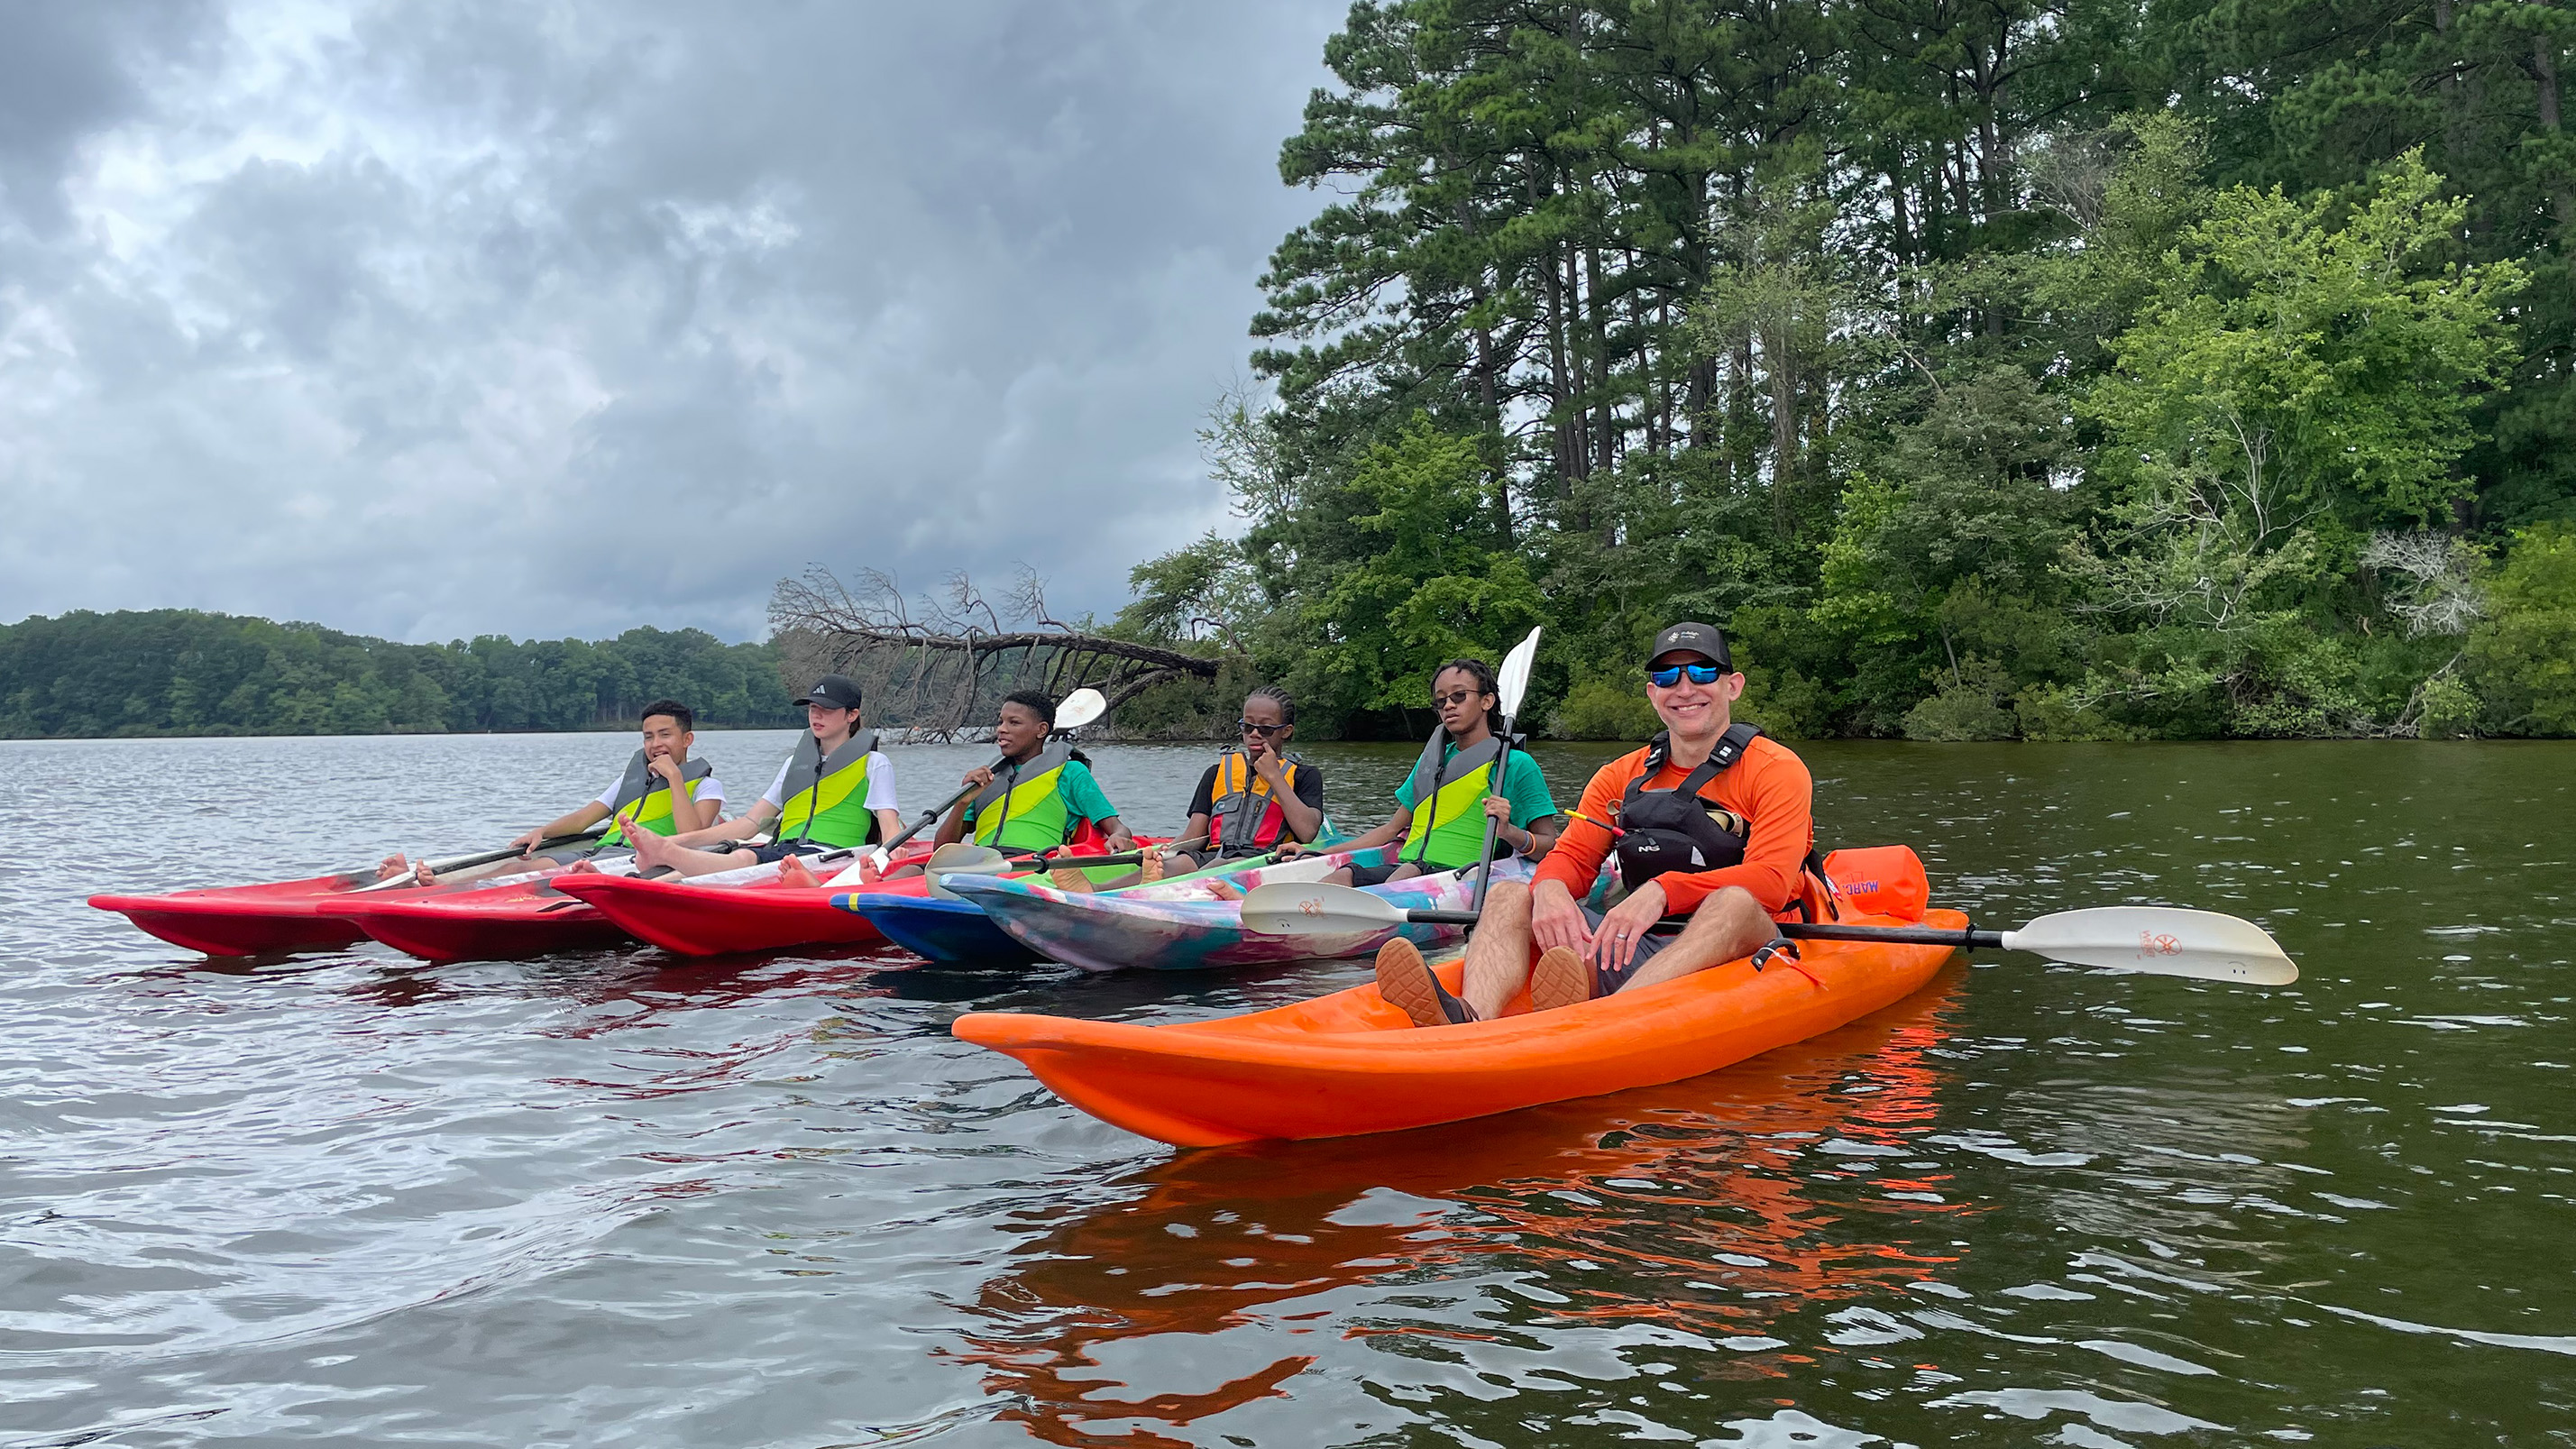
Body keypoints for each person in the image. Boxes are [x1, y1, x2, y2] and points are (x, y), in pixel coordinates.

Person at [1372, 621, 1829, 1028]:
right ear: (1653, 694)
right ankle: (1468, 1018)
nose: (1685, 688)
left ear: (1733, 686)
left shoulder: (1776, 769)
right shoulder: (1620, 775)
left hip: (1754, 941)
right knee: (1512, 892)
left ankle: (1609, 1020)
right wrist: (1550, 890)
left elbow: (1771, 882)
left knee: (1734, 901)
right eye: (1667, 677)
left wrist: (1662, 890)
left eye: (1703, 672)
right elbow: (1570, 856)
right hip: (1641, 944)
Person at [376, 699, 722, 885]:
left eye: (665, 735)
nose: (655, 744)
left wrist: (675, 779)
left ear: (686, 740)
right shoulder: (629, 781)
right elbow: (584, 819)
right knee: (519, 865)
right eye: (648, 737)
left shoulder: (706, 785)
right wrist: (543, 831)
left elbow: (696, 836)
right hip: (603, 852)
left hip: (647, 863)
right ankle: (428, 881)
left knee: (534, 872)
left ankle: (440, 888)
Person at [1293, 658, 1559, 888]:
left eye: (1459, 696)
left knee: (1406, 874)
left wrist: (1509, 831)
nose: (1448, 706)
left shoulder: (1515, 765)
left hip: (1466, 876)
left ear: (1486, 701)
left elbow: (1550, 845)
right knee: (1341, 878)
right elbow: (1391, 829)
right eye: (1441, 700)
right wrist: (1316, 852)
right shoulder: (1431, 762)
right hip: (1411, 867)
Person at [623, 675, 902, 885]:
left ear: (851, 715)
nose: (816, 716)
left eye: (826, 710)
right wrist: (680, 839)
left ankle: (664, 853)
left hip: (835, 854)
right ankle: (640, 878)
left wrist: (891, 859)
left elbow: (889, 826)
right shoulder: (794, 765)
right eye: (813, 708)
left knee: (743, 859)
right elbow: (749, 824)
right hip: (788, 850)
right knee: (696, 869)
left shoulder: (874, 764)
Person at [1050, 685, 1324, 893]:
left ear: (1285, 731)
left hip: (1265, 859)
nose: (1254, 734)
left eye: (1265, 729)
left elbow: (1307, 831)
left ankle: (1157, 892)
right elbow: (1196, 834)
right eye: (1247, 726)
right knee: (1172, 865)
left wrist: (1275, 777)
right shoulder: (1217, 774)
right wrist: (1167, 850)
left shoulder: (1304, 776)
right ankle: (1096, 891)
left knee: (1216, 867)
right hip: (1214, 852)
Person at [931, 690, 1134, 857]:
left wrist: (1118, 837)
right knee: (910, 871)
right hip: (982, 863)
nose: (1002, 729)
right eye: (1001, 721)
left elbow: (1118, 828)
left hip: (1036, 863)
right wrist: (962, 803)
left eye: (1014, 722)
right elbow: (940, 850)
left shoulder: (1070, 772)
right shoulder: (986, 779)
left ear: (1041, 730)